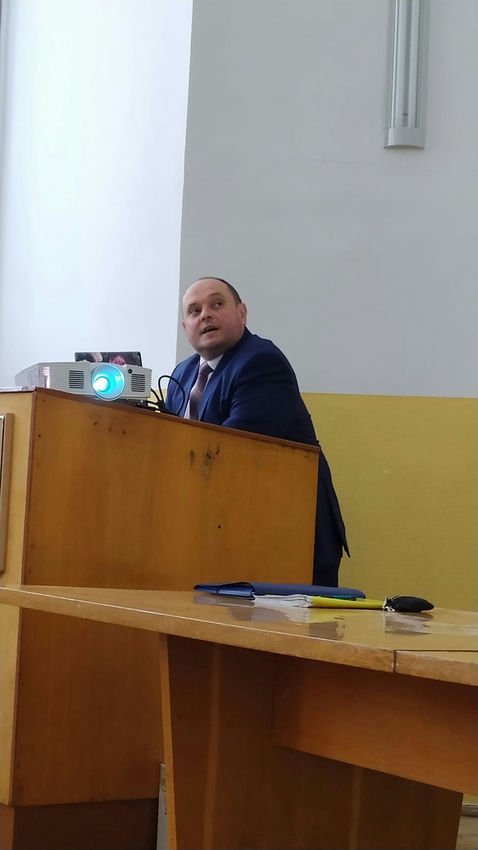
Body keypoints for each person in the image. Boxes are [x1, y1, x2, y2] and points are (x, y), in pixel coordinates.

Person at [167, 276, 349, 586]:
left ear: (242, 313)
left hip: (284, 527)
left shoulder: (260, 362)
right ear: (186, 327)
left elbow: (231, 451)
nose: (205, 315)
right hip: (218, 527)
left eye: (217, 304)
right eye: (194, 311)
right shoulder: (182, 373)